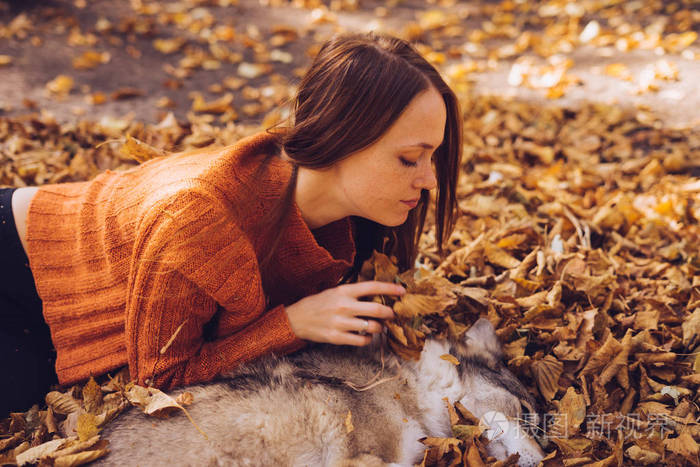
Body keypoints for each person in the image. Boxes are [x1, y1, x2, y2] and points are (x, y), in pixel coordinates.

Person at [0, 31, 462, 417]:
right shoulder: (203, 219)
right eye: (408, 158)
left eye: (432, 155)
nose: (429, 180)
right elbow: (158, 381)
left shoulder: (359, 217)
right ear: (341, 138)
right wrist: (292, 325)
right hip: (21, 269)